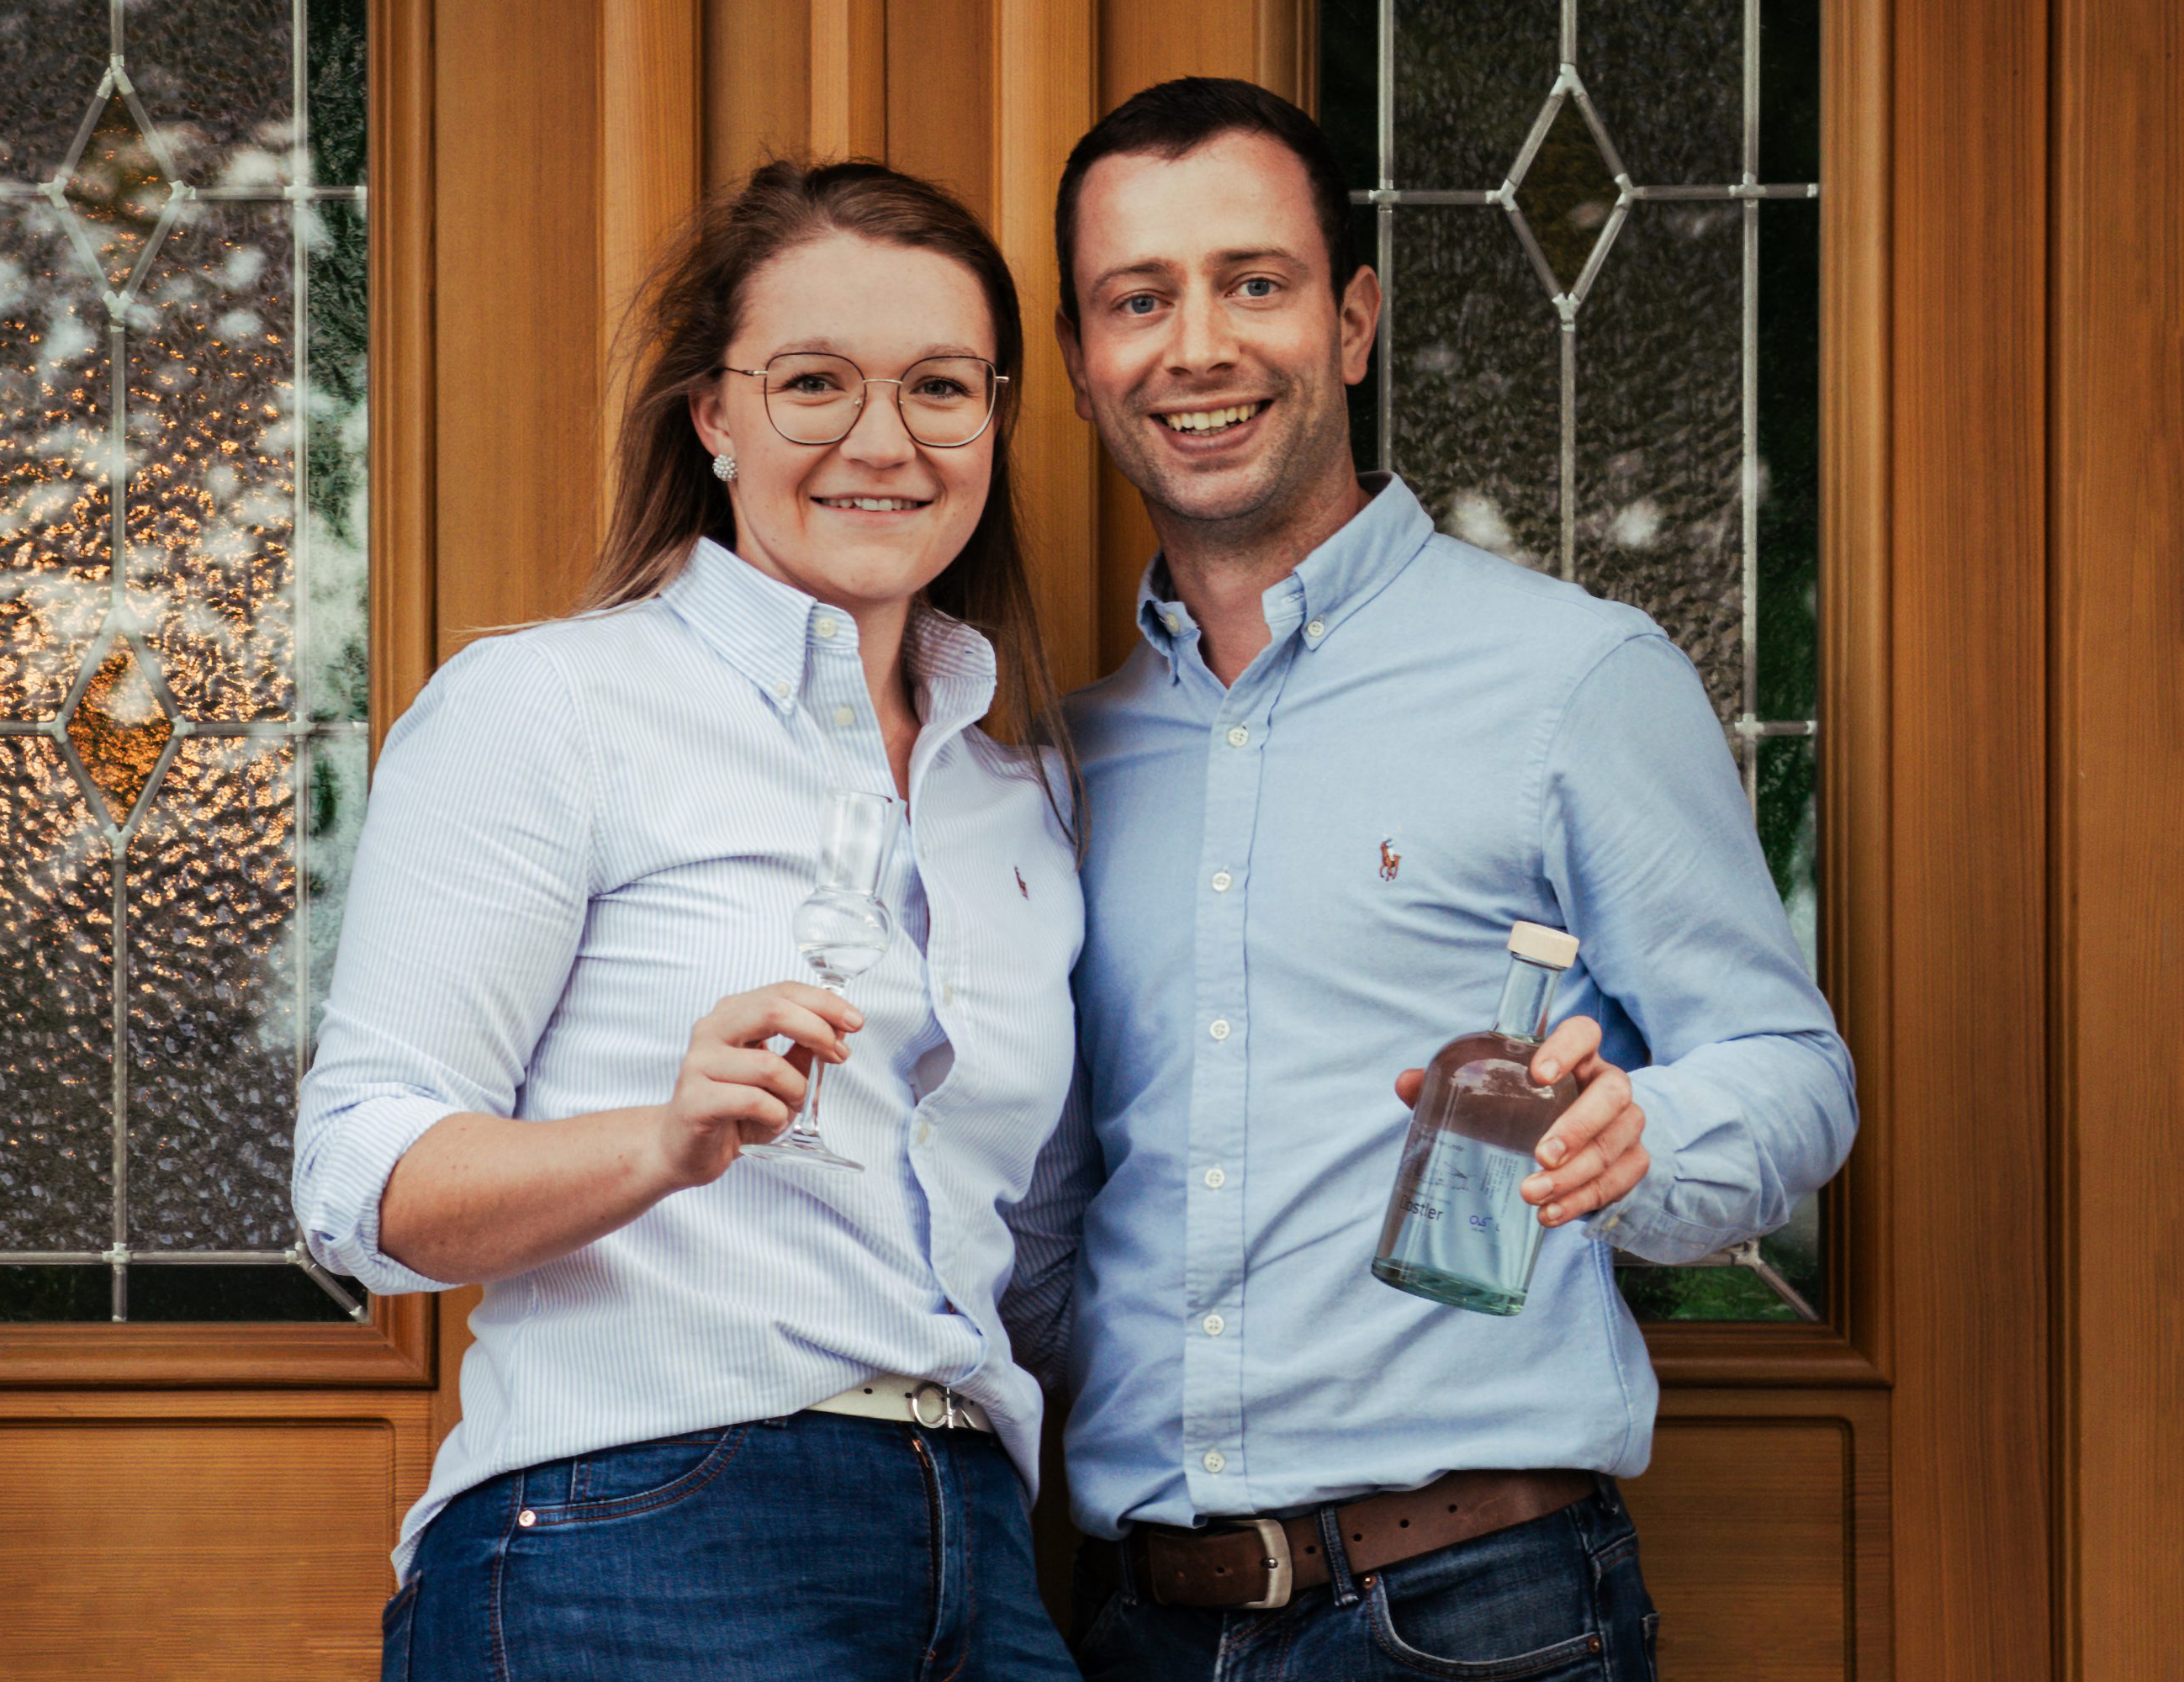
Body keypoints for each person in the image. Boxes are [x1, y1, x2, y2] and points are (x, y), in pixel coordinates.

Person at [1007, 77, 1859, 1680]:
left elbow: (1794, 1078)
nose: (1195, 346)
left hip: (1479, 1614)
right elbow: (1046, 1221)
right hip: (1134, 1623)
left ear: (1351, 321)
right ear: (1077, 361)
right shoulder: (1059, 768)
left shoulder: (1574, 680)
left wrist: (1633, 1140)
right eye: (1139, 298)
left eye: (1252, 283)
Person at [294, 159, 1087, 1680]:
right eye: (811, 384)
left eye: (939, 387)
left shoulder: (1025, 797)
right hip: (638, 1531)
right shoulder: (552, 706)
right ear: (711, 417)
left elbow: (1036, 1249)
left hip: (976, 1557)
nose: (882, 440)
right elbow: (357, 1181)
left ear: (992, 418)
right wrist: (658, 1143)